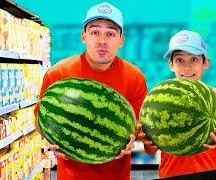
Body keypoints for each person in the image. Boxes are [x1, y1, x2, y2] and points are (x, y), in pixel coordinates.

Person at [34, 2, 147, 180]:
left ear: (121, 40)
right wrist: (49, 138)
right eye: (95, 32)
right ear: (83, 36)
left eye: (110, 33)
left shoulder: (135, 77)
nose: (102, 40)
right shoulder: (58, 73)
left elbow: (138, 127)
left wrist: (132, 139)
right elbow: (39, 119)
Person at [138, 30, 216, 178]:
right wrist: (147, 144)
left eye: (194, 59)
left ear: (205, 63)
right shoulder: (161, 99)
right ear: (171, 65)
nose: (186, 67)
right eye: (179, 60)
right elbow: (151, 151)